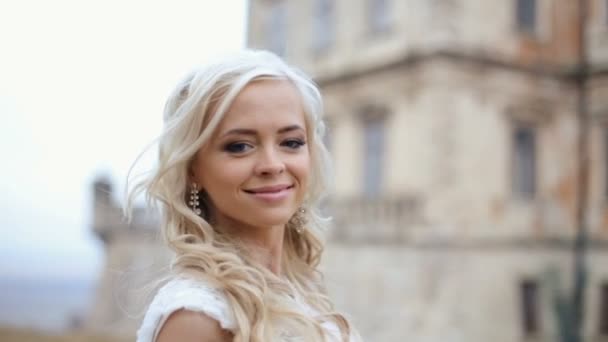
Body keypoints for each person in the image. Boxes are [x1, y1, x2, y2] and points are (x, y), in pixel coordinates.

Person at [128, 49, 360, 342]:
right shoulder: (198, 318)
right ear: (192, 170)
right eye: (239, 146)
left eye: (291, 142)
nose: (273, 165)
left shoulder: (302, 288)